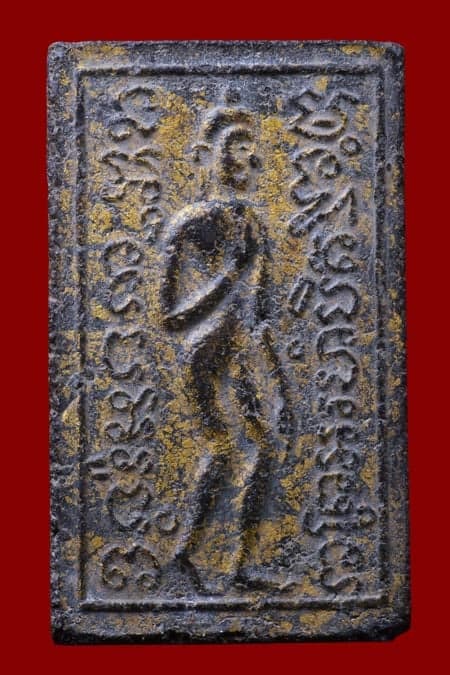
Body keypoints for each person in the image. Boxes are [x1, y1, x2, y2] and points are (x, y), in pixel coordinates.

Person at [160, 100, 291, 594]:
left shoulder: (252, 223)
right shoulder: (189, 224)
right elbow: (170, 317)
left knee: (264, 448)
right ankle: (183, 554)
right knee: (220, 448)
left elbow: (261, 316)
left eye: (250, 150)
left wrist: (280, 384)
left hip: (240, 353)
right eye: (234, 147)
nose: (246, 159)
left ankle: (239, 566)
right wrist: (229, 275)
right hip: (203, 352)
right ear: (204, 155)